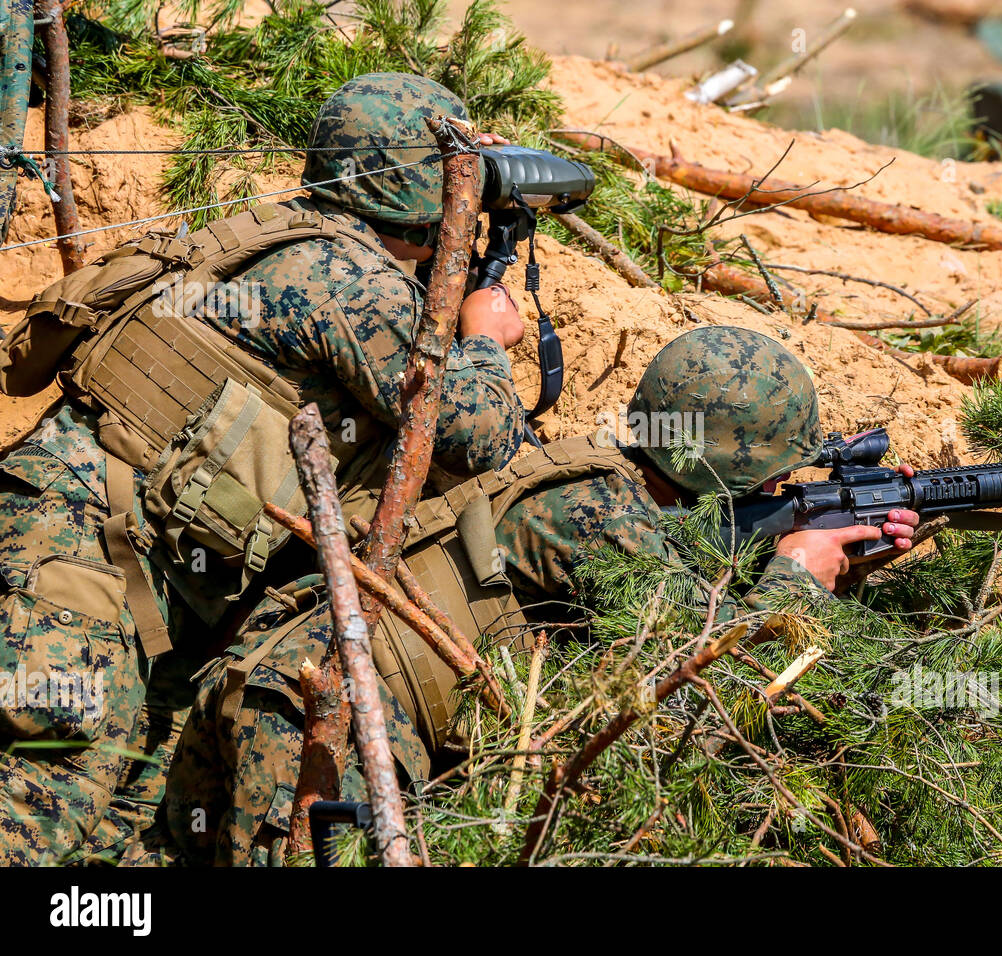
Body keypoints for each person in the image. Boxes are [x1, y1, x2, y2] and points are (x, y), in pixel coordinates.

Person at [146, 326, 922, 866]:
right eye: (774, 477)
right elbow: (687, 705)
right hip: (318, 723)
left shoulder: (608, 477)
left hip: (294, 689)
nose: (784, 488)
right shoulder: (602, 517)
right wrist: (794, 582)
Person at [0, 72, 527, 864]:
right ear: (426, 185)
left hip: (122, 567)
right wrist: (484, 336)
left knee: (130, 830)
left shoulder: (269, 233)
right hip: (86, 563)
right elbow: (475, 435)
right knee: (38, 803)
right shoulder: (346, 280)